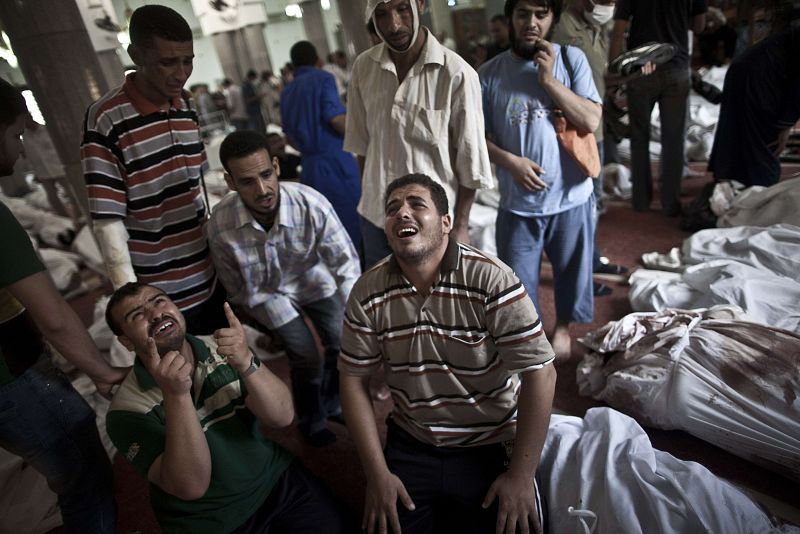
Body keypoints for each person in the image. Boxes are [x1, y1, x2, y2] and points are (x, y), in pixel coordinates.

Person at [340, 174, 556, 534]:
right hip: (414, 441)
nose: (402, 213)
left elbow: (541, 372)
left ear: (446, 222)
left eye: (416, 204)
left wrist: (520, 476)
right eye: (392, 209)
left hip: (490, 440)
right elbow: (352, 379)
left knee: (519, 524)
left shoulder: (492, 280)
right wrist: (376, 475)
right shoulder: (367, 291)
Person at [104, 283, 349, 532]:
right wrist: (175, 396)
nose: (156, 314)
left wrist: (246, 362)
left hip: (272, 479)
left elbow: (282, 416)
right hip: (209, 521)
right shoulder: (125, 412)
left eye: (160, 301)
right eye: (137, 315)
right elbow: (191, 486)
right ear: (126, 342)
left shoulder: (223, 346)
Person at [0, 77, 127, 533]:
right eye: (15, 135)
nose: (21, 150)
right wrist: (104, 372)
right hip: (12, 377)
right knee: (84, 478)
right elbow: (53, 317)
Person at [206, 130, 361, 447]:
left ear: (276, 166)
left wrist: (353, 320)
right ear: (231, 182)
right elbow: (234, 288)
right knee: (306, 356)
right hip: (266, 293)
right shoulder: (220, 224)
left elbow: (345, 267)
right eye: (247, 181)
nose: (262, 189)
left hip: (313, 280)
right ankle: (310, 419)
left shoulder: (311, 204)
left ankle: (332, 402)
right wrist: (263, 324)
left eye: (266, 174)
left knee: (340, 340)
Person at [81, 4, 226, 335]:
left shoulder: (186, 104)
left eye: (187, 60)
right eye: (167, 62)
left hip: (209, 274)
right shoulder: (106, 118)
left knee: (227, 375)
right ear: (136, 55)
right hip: (161, 294)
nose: (180, 73)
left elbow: (196, 188)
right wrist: (134, 304)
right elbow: (108, 221)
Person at [479, 0, 601, 360]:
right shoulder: (489, 74)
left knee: (571, 273)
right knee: (516, 285)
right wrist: (511, 162)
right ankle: (528, 337)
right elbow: (475, 138)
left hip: (572, 197)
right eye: (522, 14)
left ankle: (562, 327)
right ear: (510, 19)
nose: (531, 22)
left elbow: (591, 120)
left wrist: (548, 81)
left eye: (541, 14)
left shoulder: (571, 60)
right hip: (518, 203)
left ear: (552, 19)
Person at [345, 0, 494, 268]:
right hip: (375, 219)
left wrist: (460, 225)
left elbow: (470, 164)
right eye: (381, 14)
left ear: (421, 4)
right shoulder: (363, 69)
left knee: (435, 306)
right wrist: (370, 198)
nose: (394, 25)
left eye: (402, 9)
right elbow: (362, 147)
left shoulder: (456, 74)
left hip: (430, 225)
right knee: (385, 304)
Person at [551, 0, 629, 297]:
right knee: (577, 206)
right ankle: (577, 277)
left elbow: (593, 76)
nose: (609, 5)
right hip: (573, 130)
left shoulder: (595, 27)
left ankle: (592, 260)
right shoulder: (562, 30)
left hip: (594, 127)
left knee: (591, 203)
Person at [609, 0, 708, 215]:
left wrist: (615, 71)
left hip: (641, 70)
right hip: (677, 68)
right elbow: (700, 25)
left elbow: (619, 29)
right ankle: (670, 203)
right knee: (674, 140)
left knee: (639, 137)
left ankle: (641, 201)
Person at [281, 40, 362, 247]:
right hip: (335, 163)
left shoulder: (286, 92)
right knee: (351, 227)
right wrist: (361, 132)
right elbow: (335, 119)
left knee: (323, 230)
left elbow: (289, 138)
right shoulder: (323, 78)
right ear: (317, 60)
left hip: (308, 167)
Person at [708, 26, 800, 188]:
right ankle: (746, 187)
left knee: (736, 134)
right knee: (761, 146)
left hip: (747, 69)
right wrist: (785, 124)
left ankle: (728, 180)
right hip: (759, 76)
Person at [243, 69, 266, 133]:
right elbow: (248, 100)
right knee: (259, 130)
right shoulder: (246, 87)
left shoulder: (251, 86)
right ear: (251, 77)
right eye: (254, 78)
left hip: (257, 110)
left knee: (262, 128)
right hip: (253, 112)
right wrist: (259, 97)